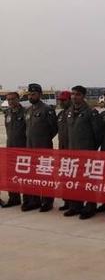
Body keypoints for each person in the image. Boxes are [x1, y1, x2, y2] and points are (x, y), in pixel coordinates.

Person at [64, 85, 104, 219]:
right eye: (72, 94)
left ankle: (90, 207)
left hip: (87, 153)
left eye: (77, 94)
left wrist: (90, 148)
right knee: (74, 181)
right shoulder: (69, 111)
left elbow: (98, 134)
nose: (74, 97)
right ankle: (75, 206)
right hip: (72, 153)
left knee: (88, 181)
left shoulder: (91, 112)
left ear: (83, 96)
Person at [23, 83, 58, 212]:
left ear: (40, 94)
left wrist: (43, 139)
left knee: (45, 175)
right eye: (29, 94)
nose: (31, 96)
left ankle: (47, 201)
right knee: (33, 176)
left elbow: (54, 128)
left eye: (33, 94)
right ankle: (35, 200)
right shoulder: (28, 110)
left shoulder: (47, 110)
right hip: (30, 149)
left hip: (43, 148)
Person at [1, 92, 26, 208]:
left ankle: (28, 199)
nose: (10, 101)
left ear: (18, 99)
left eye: (12, 99)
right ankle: (14, 198)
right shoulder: (7, 113)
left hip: (23, 149)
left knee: (24, 176)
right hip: (10, 148)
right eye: (8, 99)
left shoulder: (26, 112)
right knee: (11, 175)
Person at [56, 90, 72, 212]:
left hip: (73, 150)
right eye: (60, 100)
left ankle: (75, 203)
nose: (61, 102)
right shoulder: (61, 114)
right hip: (63, 150)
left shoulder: (74, 112)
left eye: (64, 100)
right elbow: (53, 129)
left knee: (74, 179)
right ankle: (67, 201)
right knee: (65, 178)